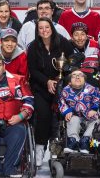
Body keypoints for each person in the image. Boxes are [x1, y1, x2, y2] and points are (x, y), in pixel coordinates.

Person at [26, 17, 75, 150]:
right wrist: (46, 81)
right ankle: (40, 147)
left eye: (47, 27)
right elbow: (33, 70)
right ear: (37, 31)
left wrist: (62, 78)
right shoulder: (33, 47)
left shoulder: (62, 42)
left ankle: (58, 147)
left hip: (60, 86)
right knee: (43, 115)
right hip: (40, 87)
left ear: (52, 28)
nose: (44, 30)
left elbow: (72, 60)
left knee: (60, 117)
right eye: (41, 28)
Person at [59, 70, 100, 153]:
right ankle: (73, 141)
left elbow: (99, 99)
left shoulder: (92, 89)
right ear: (69, 81)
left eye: (80, 75)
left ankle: (85, 140)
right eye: (74, 75)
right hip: (76, 116)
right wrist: (68, 111)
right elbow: (62, 103)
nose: (77, 77)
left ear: (84, 79)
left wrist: (94, 109)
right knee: (72, 119)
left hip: (91, 116)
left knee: (96, 122)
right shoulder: (65, 91)